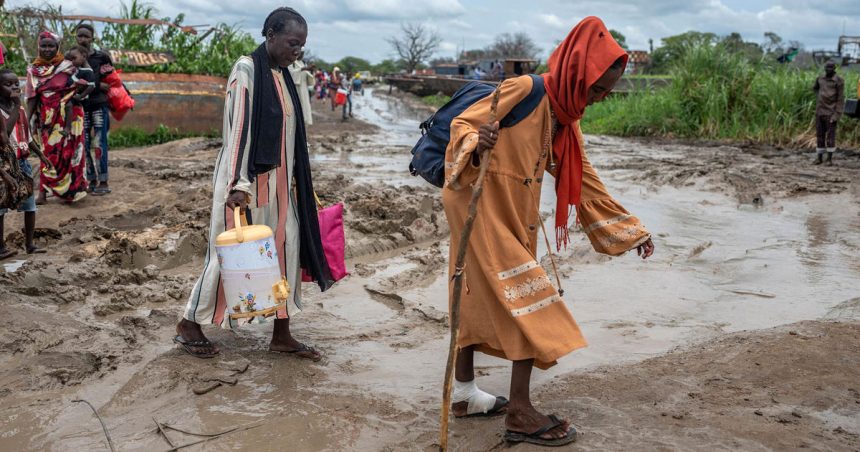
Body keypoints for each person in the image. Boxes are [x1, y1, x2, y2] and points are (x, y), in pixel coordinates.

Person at [441, 17, 654, 446]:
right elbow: (461, 126)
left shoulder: (565, 115)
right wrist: (476, 142)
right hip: (479, 206)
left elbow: (585, 179)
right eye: (596, 90)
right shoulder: (526, 89)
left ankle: (463, 394)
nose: (597, 99)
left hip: (516, 213)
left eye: (606, 93)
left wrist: (632, 229)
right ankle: (519, 411)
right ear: (578, 72)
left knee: (476, 294)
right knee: (531, 300)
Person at [175, 8, 333, 360]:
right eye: (293, 43)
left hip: (279, 187)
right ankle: (189, 323)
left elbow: (289, 136)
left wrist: (298, 184)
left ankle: (281, 332)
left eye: (302, 45)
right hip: (245, 187)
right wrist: (237, 184)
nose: (298, 51)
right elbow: (239, 128)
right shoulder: (247, 70)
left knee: (286, 250)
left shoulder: (283, 75)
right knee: (231, 256)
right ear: (270, 35)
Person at [25, 31, 87, 204]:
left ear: (57, 47)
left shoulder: (68, 67)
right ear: (38, 47)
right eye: (43, 46)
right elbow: (32, 98)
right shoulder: (33, 71)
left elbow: (82, 85)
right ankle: (43, 193)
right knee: (47, 154)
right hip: (46, 118)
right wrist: (26, 121)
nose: (47, 49)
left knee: (71, 154)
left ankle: (72, 191)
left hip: (70, 117)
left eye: (50, 45)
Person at [0, 68, 53, 259]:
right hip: (4, 164)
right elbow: (4, 136)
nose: (14, 86)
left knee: (30, 205)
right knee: (1, 207)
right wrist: (16, 106)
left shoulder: (20, 109)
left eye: (16, 83)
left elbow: (28, 137)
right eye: (8, 84)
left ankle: (30, 244)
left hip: (22, 163)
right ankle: (1, 248)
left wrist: (41, 154)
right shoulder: (9, 109)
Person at [75, 23, 114, 195]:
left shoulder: (101, 57)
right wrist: (99, 85)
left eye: (86, 36)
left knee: (99, 143)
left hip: (98, 105)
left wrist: (101, 85)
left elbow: (111, 79)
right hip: (81, 107)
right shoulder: (72, 57)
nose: (82, 39)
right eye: (80, 36)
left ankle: (103, 181)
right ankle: (90, 180)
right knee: (84, 144)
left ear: (92, 38)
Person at [812, 61, 844, 166]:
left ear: (834, 69)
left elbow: (840, 99)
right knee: (820, 136)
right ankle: (819, 158)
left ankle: (829, 159)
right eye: (827, 67)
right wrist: (820, 97)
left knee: (830, 137)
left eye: (831, 68)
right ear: (824, 68)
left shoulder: (838, 81)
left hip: (831, 112)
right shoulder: (820, 79)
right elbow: (815, 88)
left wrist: (836, 115)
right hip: (820, 112)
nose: (828, 69)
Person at [63, 46, 96, 138]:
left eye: (74, 58)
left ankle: (67, 127)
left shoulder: (88, 71)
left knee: (68, 105)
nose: (72, 61)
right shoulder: (79, 69)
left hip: (78, 98)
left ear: (84, 56)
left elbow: (91, 86)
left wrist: (81, 96)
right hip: (74, 95)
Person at [288, 53, 315, 125]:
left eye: (303, 54)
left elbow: (308, 77)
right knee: (298, 105)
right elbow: (290, 74)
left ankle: (304, 121)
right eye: (301, 53)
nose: (302, 55)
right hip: (297, 87)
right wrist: (303, 69)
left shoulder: (302, 63)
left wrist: (310, 71)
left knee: (305, 105)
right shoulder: (291, 62)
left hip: (304, 88)